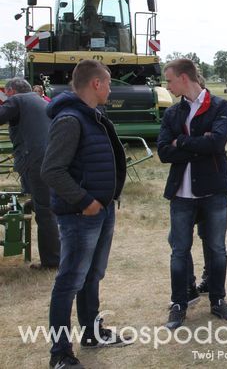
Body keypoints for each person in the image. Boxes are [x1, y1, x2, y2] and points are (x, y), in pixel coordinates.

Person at [41, 60, 130, 368]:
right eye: (107, 84)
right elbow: (52, 170)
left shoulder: (93, 115)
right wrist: (84, 201)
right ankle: (60, 354)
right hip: (82, 215)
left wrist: (104, 201)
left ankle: (92, 333)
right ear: (95, 84)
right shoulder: (70, 119)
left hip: (101, 211)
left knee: (92, 275)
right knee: (70, 281)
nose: (109, 89)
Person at [157, 59, 227, 330]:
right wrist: (197, 144)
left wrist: (183, 142)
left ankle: (218, 299)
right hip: (181, 194)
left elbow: (217, 142)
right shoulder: (172, 113)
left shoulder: (219, 106)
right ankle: (179, 303)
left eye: (169, 80)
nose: (166, 85)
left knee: (217, 249)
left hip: (213, 191)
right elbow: (164, 152)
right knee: (179, 250)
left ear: (183, 78)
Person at [0, 78, 59, 270]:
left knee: (45, 211)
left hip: (35, 160)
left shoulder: (17, 100)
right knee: (44, 204)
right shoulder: (39, 100)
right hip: (50, 158)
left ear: (11, 91)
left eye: (6, 93)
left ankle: (52, 261)